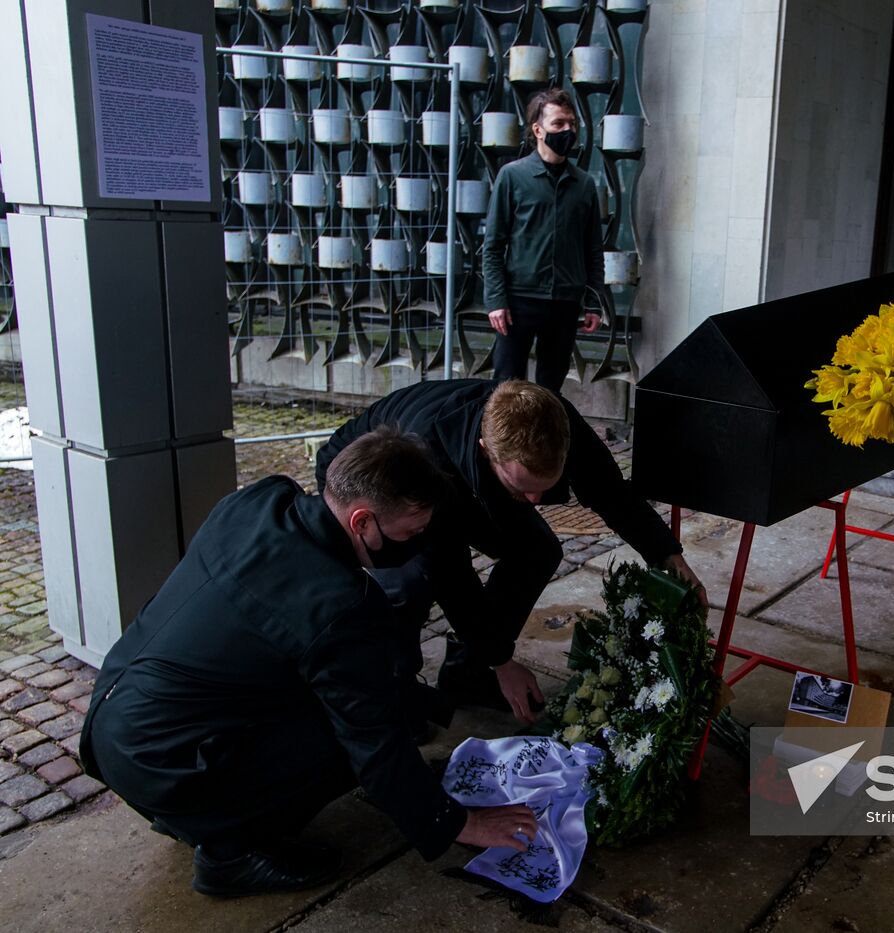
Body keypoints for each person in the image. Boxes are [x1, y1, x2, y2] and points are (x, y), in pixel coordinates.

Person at [78, 427, 539, 898]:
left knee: (365, 698)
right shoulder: (340, 606)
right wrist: (459, 823)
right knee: (353, 740)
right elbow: (374, 743)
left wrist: (424, 702)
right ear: (362, 522)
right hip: (162, 761)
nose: (418, 543)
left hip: (112, 719)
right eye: (411, 532)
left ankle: (197, 810)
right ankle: (228, 854)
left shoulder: (262, 499)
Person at [314, 378, 707, 724]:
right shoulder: (429, 454)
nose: (536, 499)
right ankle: (394, 699)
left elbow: (611, 493)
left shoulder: (555, 423)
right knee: (411, 583)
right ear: (488, 449)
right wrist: (503, 660)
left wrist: (668, 557)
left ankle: (467, 674)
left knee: (537, 549)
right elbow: (451, 573)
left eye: (544, 485)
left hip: (465, 481)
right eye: (523, 488)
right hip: (372, 484)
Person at [483, 88, 605, 392]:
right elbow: (493, 245)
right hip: (518, 301)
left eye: (572, 124)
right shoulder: (512, 177)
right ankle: (499, 441)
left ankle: (545, 441)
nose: (568, 130)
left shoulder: (584, 185)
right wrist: (496, 301)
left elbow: (593, 250)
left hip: (565, 303)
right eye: (558, 124)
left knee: (551, 388)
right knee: (506, 387)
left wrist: (594, 302)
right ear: (538, 130)